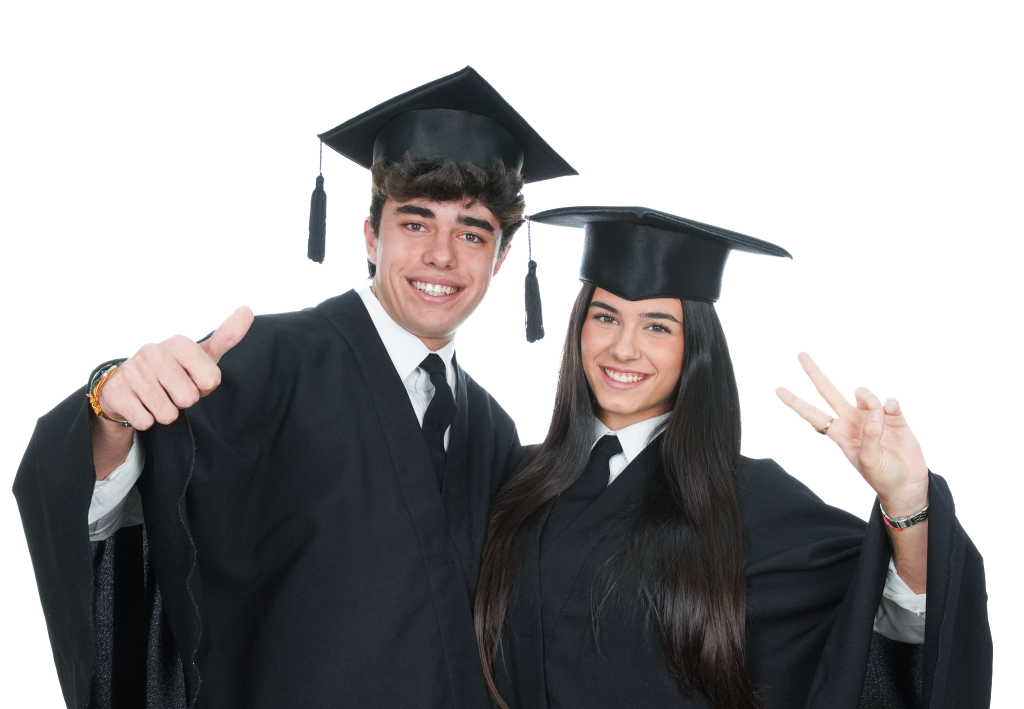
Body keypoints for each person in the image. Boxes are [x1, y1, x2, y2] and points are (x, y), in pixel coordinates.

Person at [13, 66, 577, 708]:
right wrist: (110, 411)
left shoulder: (493, 427)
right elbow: (129, 517)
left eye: (471, 233)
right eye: (416, 223)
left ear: (500, 259)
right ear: (371, 236)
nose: (442, 256)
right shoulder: (262, 361)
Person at [474, 206, 992, 708]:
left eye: (657, 326)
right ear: (578, 328)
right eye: (605, 317)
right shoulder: (516, 481)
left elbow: (888, 625)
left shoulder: (749, 501)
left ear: (695, 348)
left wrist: (905, 498)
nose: (624, 349)